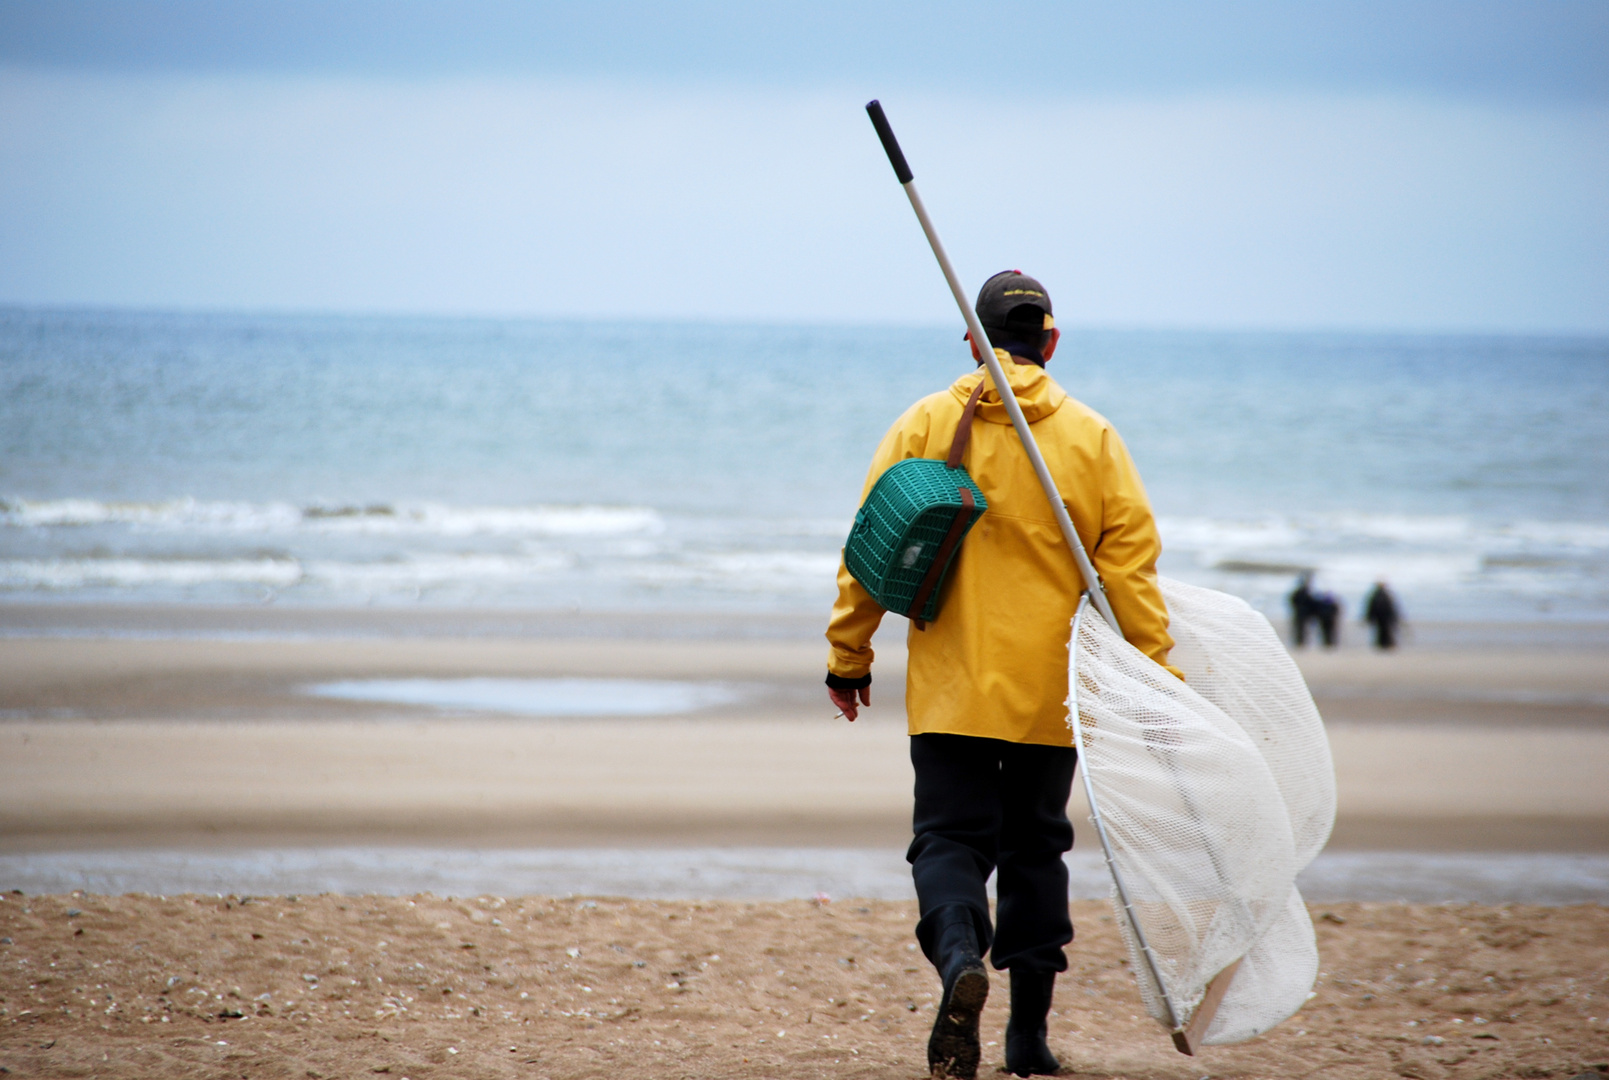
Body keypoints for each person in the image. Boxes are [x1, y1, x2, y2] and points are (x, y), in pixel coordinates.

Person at [824, 271, 1182, 1080]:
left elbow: (870, 547)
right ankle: (1027, 1037)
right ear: (1050, 342)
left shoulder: (922, 422)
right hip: (1050, 693)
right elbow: (1130, 574)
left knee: (948, 839)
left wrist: (849, 655)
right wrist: (1156, 676)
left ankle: (959, 960)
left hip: (950, 688)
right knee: (1035, 849)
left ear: (972, 340)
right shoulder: (1092, 439)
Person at [1363, 580, 1401, 650]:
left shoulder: (1377, 595)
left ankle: (1385, 644)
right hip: (1384, 616)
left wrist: (1369, 616)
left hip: (1383, 616)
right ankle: (1386, 644)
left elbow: (1372, 607)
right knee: (1385, 630)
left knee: (1384, 630)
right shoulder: (1387, 595)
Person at [1288, 572, 1316, 646]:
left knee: (1302, 628)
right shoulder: (1302, 593)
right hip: (1301, 613)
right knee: (1300, 628)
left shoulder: (1300, 593)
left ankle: (1301, 642)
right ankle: (1300, 642)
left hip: (1302, 613)